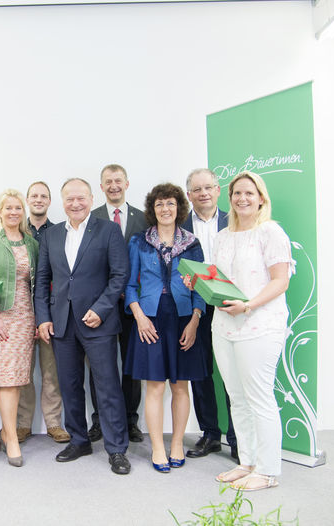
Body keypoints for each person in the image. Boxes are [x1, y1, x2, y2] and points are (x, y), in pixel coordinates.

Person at [183, 171, 294, 491]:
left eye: (249, 193)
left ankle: (269, 470)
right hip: (224, 326)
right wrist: (198, 282)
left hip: (260, 325)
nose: (242, 199)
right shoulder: (224, 236)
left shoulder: (270, 232)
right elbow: (217, 280)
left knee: (259, 398)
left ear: (261, 198)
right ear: (229, 199)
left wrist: (248, 305)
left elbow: (280, 280)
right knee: (238, 398)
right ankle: (247, 461)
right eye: (237, 194)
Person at [34, 178, 131, 475]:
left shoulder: (108, 230)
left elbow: (120, 275)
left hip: (98, 323)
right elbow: (42, 280)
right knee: (70, 385)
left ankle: (116, 449)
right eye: (69, 199)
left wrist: (101, 309)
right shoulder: (50, 235)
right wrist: (43, 317)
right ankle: (79, 440)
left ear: (91, 198)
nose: (75, 204)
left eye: (81, 198)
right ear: (62, 202)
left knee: (108, 387)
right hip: (62, 323)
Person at [123, 183, 206, 473]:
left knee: (181, 386)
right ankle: (158, 447)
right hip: (150, 320)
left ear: (179, 208)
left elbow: (201, 286)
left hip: (184, 319)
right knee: (155, 387)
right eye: (159, 204)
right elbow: (130, 285)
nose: (165, 209)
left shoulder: (192, 244)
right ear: (152, 209)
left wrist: (196, 319)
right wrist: (139, 316)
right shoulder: (138, 242)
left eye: (170, 203)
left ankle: (176, 443)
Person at [0, 189, 39, 467]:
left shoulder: (31, 242)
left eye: (18, 208)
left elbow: (36, 281)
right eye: (8, 208)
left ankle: (6, 432)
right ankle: (11, 437)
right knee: (7, 378)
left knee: (19, 377)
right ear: (0, 211)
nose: (13, 212)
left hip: (26, 316)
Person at [181, 168, 238, 461]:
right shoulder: (178, 226)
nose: (203, 193)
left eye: (208, 188)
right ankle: (210, 434)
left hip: (231, 306)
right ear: (188, 195)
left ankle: (238, 438)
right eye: (197, 189)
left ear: (218, 190)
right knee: (201, 373)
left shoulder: (237, 220)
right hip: (195, 307)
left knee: (232, 373)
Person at [88, 164, 147, 443]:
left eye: (118, 181)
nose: (113, 185)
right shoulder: (91, 217)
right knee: (99, 365)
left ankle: (129, 420)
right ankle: (99, 420)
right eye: (108, 181)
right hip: (101, 306)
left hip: (133, 306)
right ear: (101, 187)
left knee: (131, 366)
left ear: (127, 183)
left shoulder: (144, 218)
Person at [16, 181, 69, 444]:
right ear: (27, 199)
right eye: (34, 195)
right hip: (20, 312)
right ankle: (23, 424)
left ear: (50, 201)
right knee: (23, 371)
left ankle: (54, 423)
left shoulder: (60, 232)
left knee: (52, 371)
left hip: (51, 311)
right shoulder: (16, 231)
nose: (38, 199)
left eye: (43, 196)